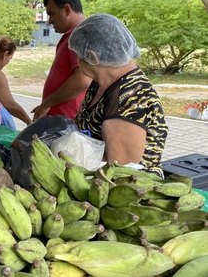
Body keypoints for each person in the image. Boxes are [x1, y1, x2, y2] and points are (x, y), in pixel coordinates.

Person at [70, 13, 168, 177]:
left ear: (93, 57)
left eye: (79, 55)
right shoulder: (101, 81)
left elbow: (120, 170)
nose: (77, 61)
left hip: (126, 193)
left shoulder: (130, 97)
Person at [31, 0, 91, 121]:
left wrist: (46, 104)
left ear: (67, 10)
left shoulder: (81, 34)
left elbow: (82, 80)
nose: (49, 20)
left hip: (67, 122)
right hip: (59, 119)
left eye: (51, 14)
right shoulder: (71, 34)